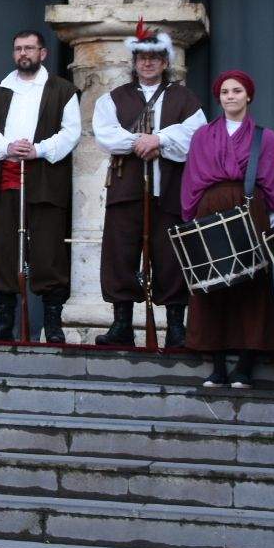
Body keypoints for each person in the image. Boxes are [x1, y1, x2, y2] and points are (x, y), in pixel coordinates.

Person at [91, 20, 206, 348]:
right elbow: (105, 134)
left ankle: (176, 328)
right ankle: (122, 325)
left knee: (171, 257)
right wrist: (140, 141)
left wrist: (160, 139)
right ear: (135, 61)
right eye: (142, 57)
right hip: (126, 191)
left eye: (154, 57)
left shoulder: (184, 98)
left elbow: (196, 136)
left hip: (169, 192)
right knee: (120, 255)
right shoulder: (114, 98)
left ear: (165, 61)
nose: (148, 62)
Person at [181, 70, 274, 389]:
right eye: (225, 92)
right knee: (212, 284)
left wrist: (268, 219)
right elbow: (192, 178)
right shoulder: (203, 136)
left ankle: (245, 364)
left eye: (237, 91)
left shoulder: (265, 138)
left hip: (249, 207)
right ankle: (216, 365)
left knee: (251, 285)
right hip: (210, 210)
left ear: (248, 95)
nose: (230, 96)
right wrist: (193, 219)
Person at [0, 30, 81, 343]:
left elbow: (71, 132)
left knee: (49, 251)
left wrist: (38, 150)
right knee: (5, 251)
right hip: (7, 176)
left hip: (45, 178)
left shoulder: (62, 89)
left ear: (43, 53)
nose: (24, 53)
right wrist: (7, 147)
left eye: (30, 48)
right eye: (19, 48)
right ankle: (4, 322)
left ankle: (53, 324)